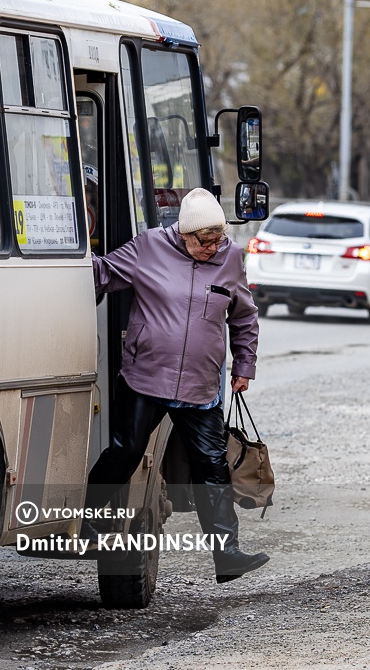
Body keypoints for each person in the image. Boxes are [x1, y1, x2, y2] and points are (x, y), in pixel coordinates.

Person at [87, 187, 269, 583]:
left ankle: (228, 555)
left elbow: (244, 317)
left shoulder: (231, 258)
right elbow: (100, 274)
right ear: (183, 234)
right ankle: (90, 523)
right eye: (204, 241)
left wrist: (244, 365)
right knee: (126, 450)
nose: (212, 247)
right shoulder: (149, 247)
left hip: (201, 386)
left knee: (211, 466)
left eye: (218, 239)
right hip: (146, 377)